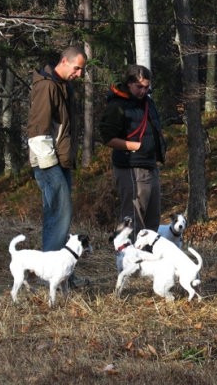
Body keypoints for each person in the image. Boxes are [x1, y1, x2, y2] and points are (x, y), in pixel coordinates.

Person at [27, 45, 89, 288]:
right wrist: (50, 164)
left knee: (61, 217)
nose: (79, 74)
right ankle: (53, 277)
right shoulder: (46, 86)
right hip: (48, 162)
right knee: (58, 216)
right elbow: (37, 130)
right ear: (64, 61)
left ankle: (64, 277)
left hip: (60, 161)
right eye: (77, 68)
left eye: (81, 70)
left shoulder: (64, 86)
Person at [99, 64, 166, 239]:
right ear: (129, 84)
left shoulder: (148, 103)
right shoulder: (117, 105)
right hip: (130, 167)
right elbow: (108, 138)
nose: (143, 91)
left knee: (152, 218)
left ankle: (147, 257)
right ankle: (126, 257)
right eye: (139, 87)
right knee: (133, 217)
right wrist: (136, 147)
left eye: (146, 87)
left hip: (150, 164)